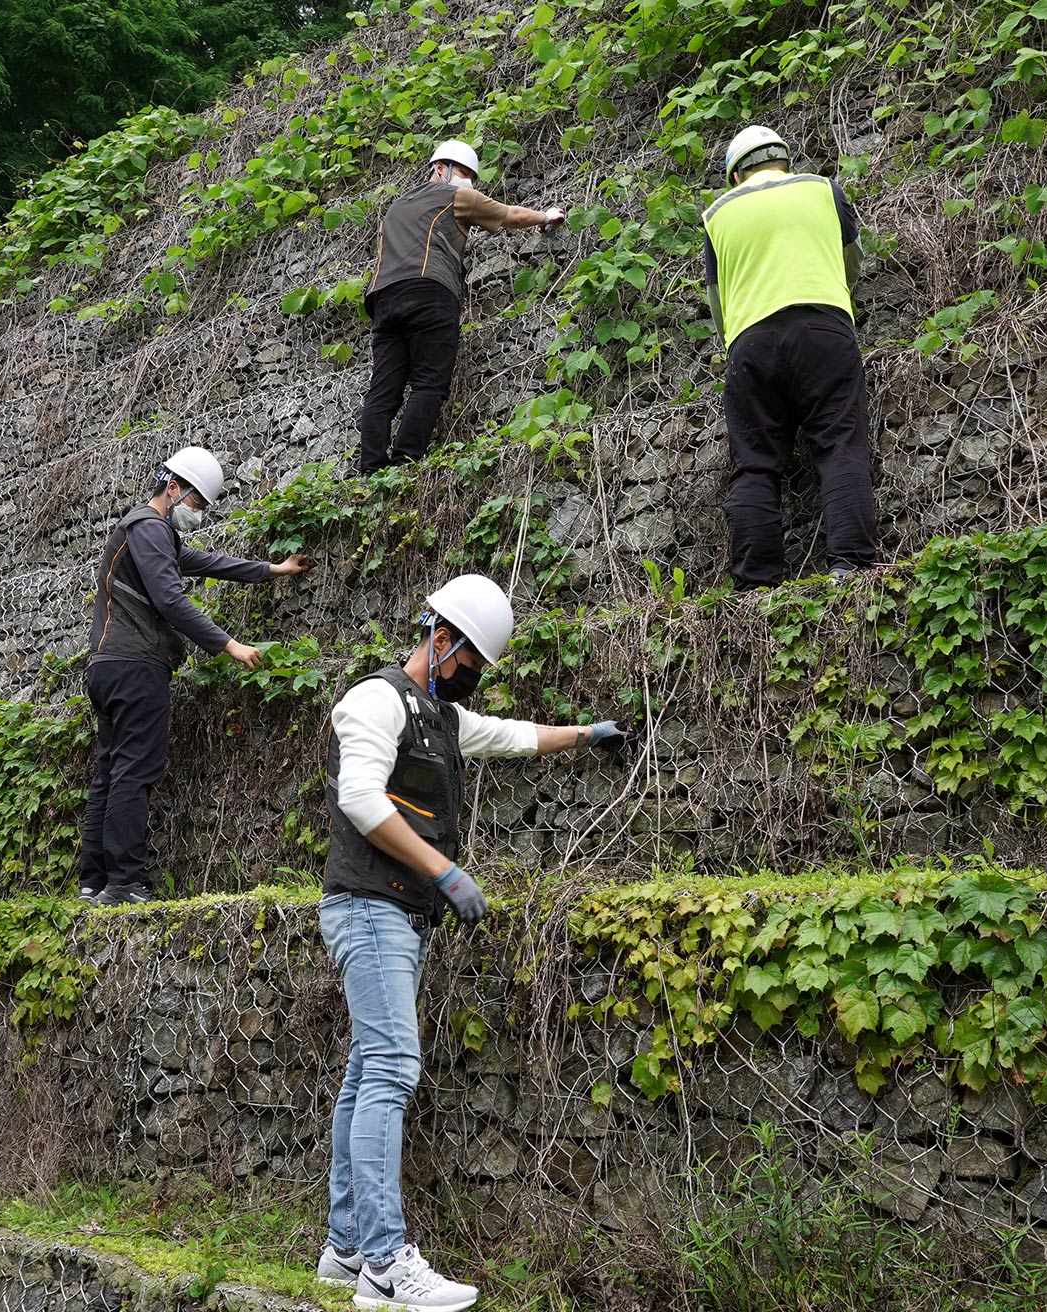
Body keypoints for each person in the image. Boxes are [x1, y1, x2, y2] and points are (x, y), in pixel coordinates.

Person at [313, 574, 625, 1311]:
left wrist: (587, 733)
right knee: (392, 1067)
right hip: (368, 908)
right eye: (470, 664)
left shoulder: (442, 719)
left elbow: (513, 736)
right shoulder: (376, 699)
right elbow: (359, 797)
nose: (472, 678)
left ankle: (347, 1244)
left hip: (399, 916)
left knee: (367, 1072)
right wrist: (445, 869)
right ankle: (386, 1264)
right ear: (440, 638)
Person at [79, 445, 313, 905]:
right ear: (172, 488)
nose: (199, 513)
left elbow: (206, 563)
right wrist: (230, 645)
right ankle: (125, 882)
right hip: (136, 665)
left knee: (110, 771)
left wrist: (272, 569)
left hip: (109, 666)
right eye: (197, 503)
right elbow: (170, 600)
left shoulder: (149, 534)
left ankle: (95, 881)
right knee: (134, 771)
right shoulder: (148, 527)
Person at [700, 124, 879, 589]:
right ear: (784, 159)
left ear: (735, 176)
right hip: (824, 329)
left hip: (750, 346)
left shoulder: (717, 214)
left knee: (756, 463)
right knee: (840, 443)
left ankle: (756, 588)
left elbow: (718, 303)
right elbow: (853, 261)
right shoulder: (823, 190)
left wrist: (738, 344)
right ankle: (851, 567)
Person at [357, 140, 567, 475]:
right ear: (440, 167)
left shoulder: (395, 208)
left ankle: (370, 471)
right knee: (428, 382)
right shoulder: (457, 196)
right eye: (463, 171)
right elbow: (510, 215)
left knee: (383, 389)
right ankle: (405, 463)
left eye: (472, 174)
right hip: (429, 291)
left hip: (383, 300)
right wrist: (545, 216)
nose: (468, 179)